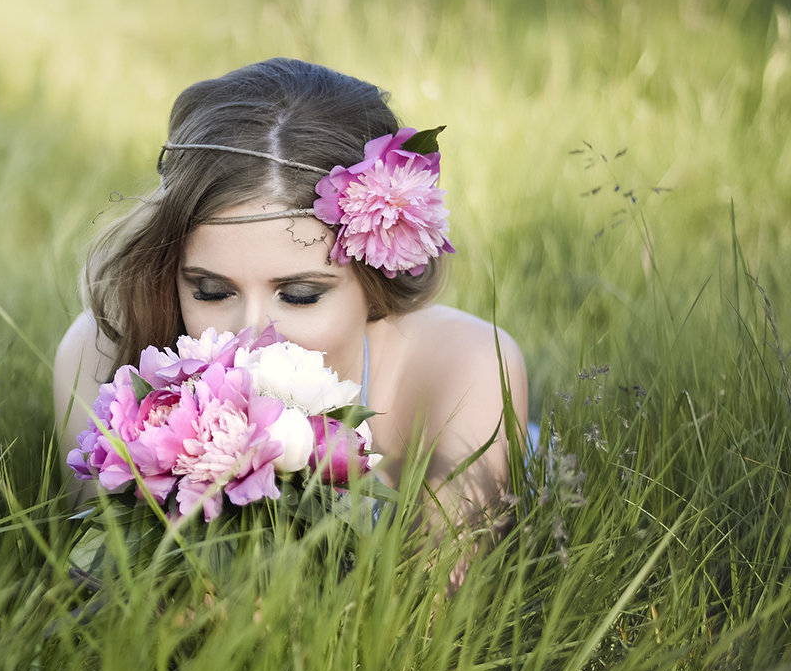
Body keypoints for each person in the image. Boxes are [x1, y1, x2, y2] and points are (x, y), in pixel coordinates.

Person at [53, 58, 528, 546]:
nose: (252, 336)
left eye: (299, 295)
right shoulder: (102, 351)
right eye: (211, 291)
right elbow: (101, 576)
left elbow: (439, 603)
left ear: (374, 281)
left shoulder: (464, 365)